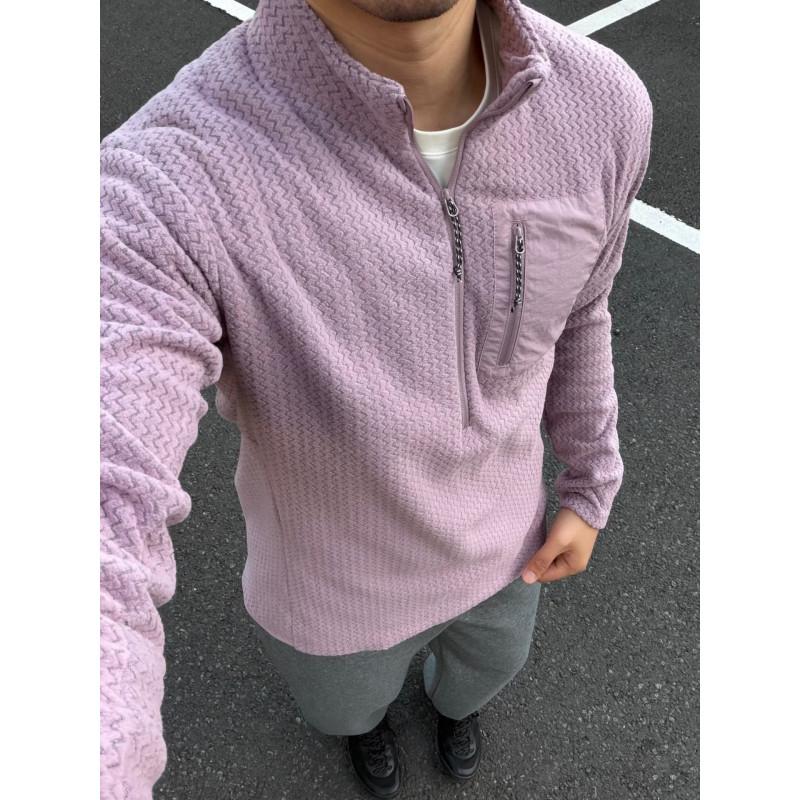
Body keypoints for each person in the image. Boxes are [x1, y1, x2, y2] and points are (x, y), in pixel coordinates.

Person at [99, 0, 652, 797]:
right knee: (348, 711)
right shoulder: (169, 183)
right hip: (332, 600)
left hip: (511, 555)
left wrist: (592, 480)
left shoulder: (601, 103)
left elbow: (583, 308)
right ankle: (370, 731)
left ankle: (453, 710)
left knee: (476, 682)